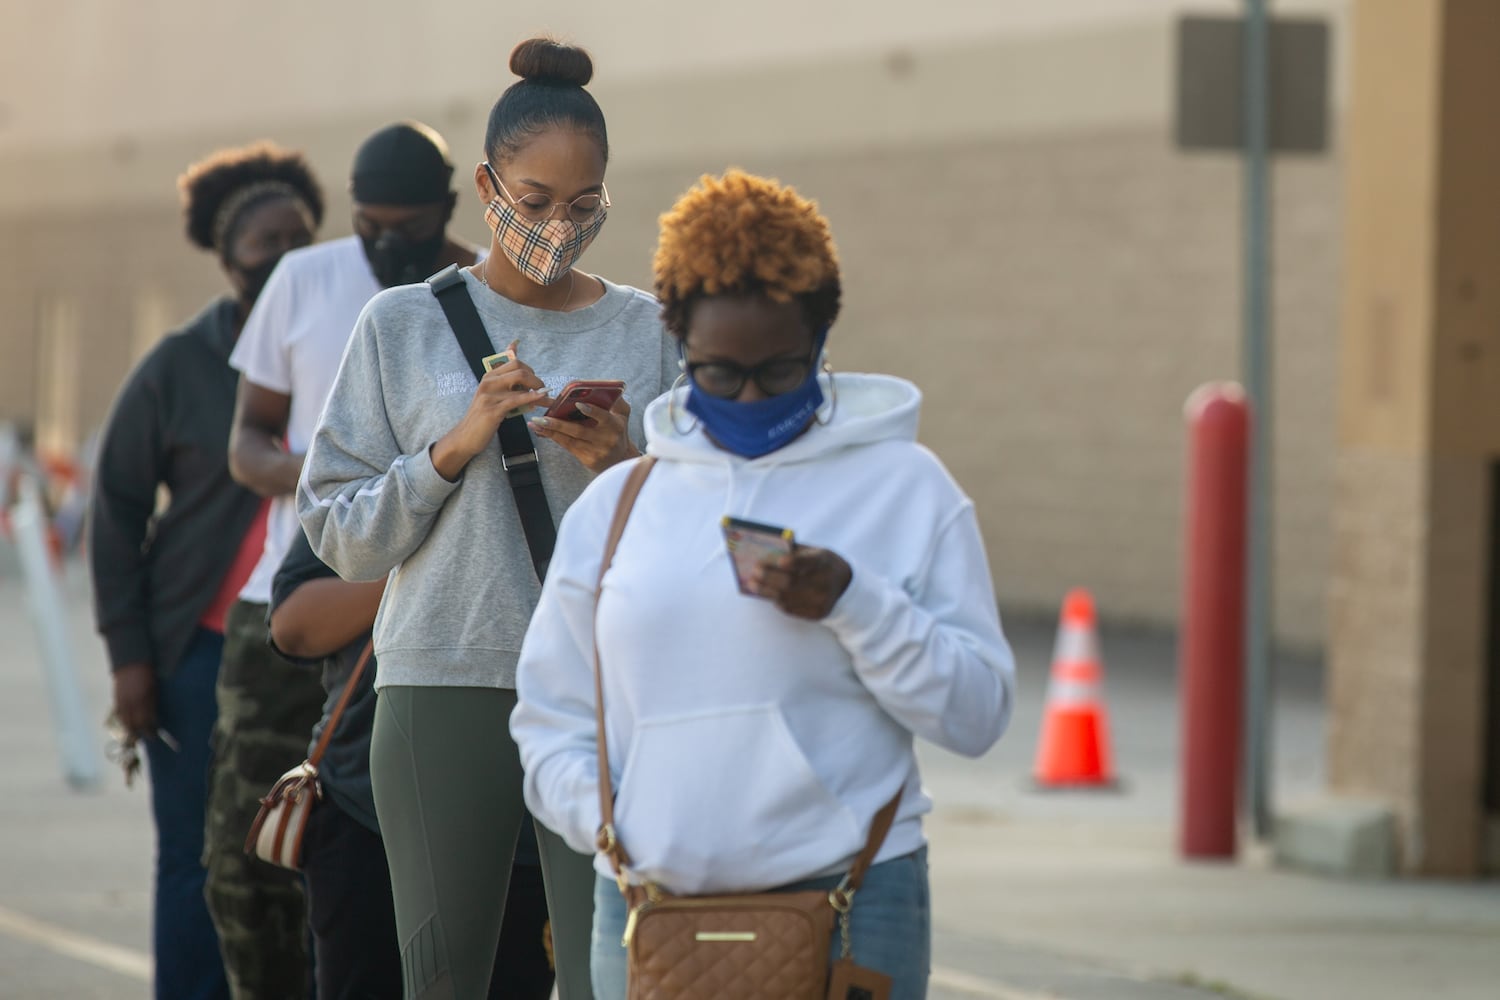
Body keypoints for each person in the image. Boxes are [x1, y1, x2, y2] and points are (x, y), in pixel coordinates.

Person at [509, 169, 1018, 999]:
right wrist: (610, 829)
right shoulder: (620, 504)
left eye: (778, 374)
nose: (747, 398)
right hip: (646, 900)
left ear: (822, 337)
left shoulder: (905, 486)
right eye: (718, 374)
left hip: (853, 897)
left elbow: (977, 714)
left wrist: (855, 603)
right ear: (679, 338)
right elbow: (550, 717)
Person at [298, 37, 678, 1000]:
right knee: (443, 976)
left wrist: (623, 466)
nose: (558, 223)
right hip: (443, 678)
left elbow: (698, 537)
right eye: (536, 200)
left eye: (583, 203)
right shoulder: (402, 323)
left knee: (609, 975)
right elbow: (337, 531)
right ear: (487, 184)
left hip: (602, 689)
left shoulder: (649, 330)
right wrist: (452, 449)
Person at [206, 120, 484, 998]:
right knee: (252, 853)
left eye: (405, 226)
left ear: (447, 208)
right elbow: (246, 444)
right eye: (368, 225)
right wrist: (339, 482)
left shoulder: (481, 290)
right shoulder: (305, 279)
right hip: (310, 583)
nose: (383, 243)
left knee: (389, 861)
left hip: (442, 608)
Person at [87, 142, 323, 1000]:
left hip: (306, 651)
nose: (286, 262)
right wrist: (129, 659)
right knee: (193, 861)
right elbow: (113, 512)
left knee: (290, 857)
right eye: (265, 248)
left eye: (303, 241)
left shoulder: (341, 343)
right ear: (227, 262)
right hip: (195, 655)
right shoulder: (179, 366)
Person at [267, 531, 556, 1000]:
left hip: (530, 831)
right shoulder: (404, 459)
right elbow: (292, 623)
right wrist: (431, 566)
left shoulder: (600, 466)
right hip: (368, 818)